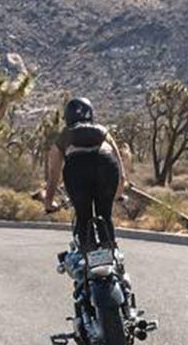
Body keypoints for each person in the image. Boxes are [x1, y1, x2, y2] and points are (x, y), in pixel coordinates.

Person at [44, 97, 127, 251]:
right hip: (107, 166)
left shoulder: (64, 136)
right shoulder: (103, 132)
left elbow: (54, 173)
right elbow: (119, 163)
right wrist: (120, 190)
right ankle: (111, 255)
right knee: (105, 215)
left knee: (83, 217)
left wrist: (49, 201)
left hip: (77, 170)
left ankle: (89, 257)